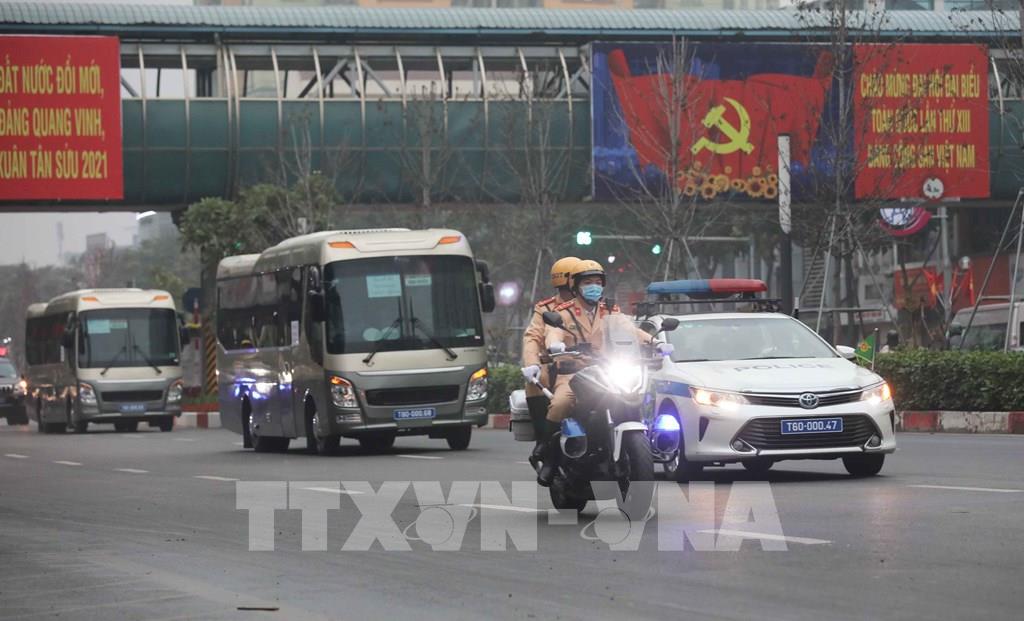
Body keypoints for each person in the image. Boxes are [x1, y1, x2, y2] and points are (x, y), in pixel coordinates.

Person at [529, 259, 653, 487]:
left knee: (633, 394)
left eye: (597, 282)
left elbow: (630, 330)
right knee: (560, 403)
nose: (593, 286)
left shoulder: (610, 310)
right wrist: (555, 345)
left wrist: (655, 342)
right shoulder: (563, 311)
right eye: (587, 283)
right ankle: (548, 456)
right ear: (575, 286)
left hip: (606, 369)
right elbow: (553, 332)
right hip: (573, 373)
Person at [521, 257, 579, 464]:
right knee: (538, 378)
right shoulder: (546, 308)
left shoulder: (596, 307)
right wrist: (532, 363)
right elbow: (533, 338)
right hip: (557, 364)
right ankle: (543, 440)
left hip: (593, 364)